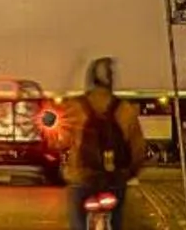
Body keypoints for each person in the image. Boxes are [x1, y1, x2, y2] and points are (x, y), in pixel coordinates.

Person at [63, 57, 147, 230]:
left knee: (77, 220)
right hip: (114, 178)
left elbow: (60, 141)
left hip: (82, 177)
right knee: (116, 218)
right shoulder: (125, 109)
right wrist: (131, 172)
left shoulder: (75, 107)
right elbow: (139, 149)